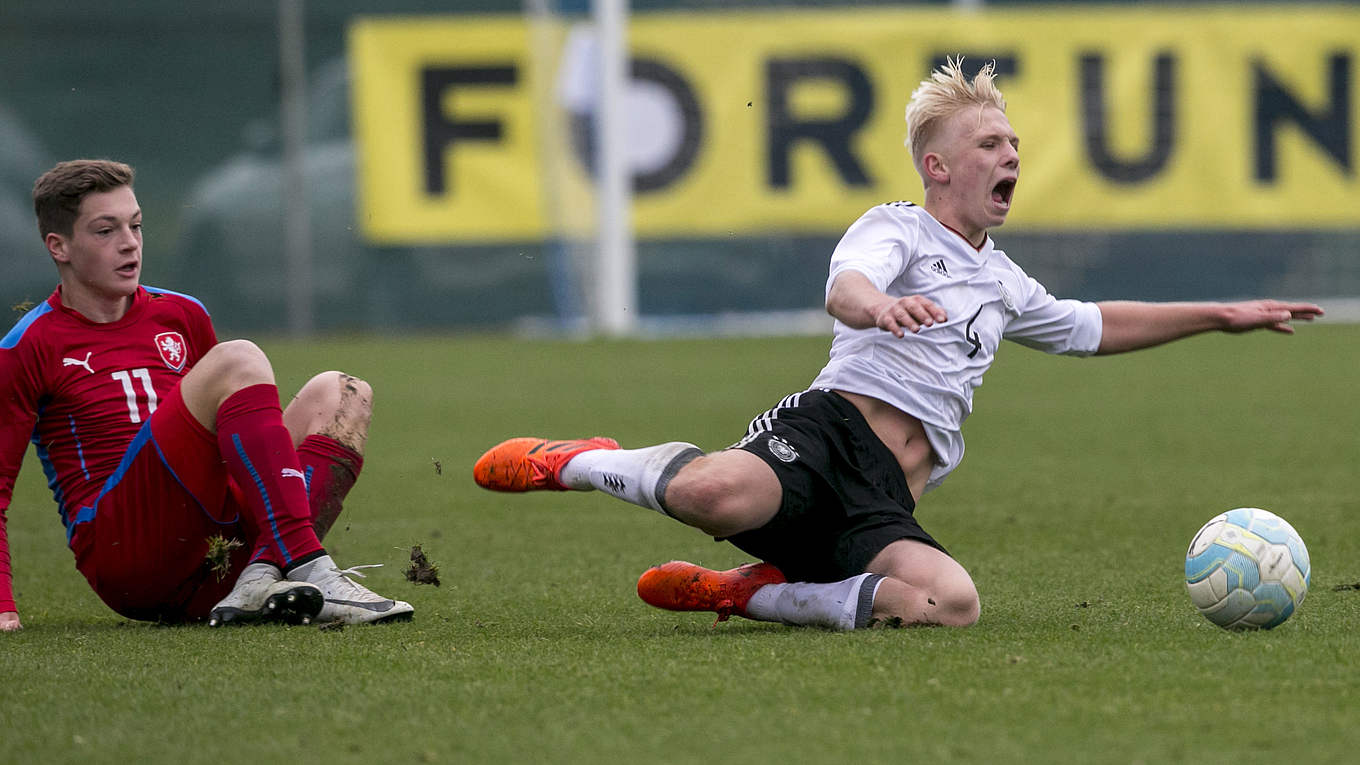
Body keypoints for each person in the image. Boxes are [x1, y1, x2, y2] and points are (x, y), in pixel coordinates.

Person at [472, 58, 1323, 631]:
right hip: (826, 437)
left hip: (886, 497)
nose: (1011, 155)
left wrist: (1221, 313)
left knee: (953, 605)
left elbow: (1090, 326)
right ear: (938, 167)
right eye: (990, 144)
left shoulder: (1003, 281)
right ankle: (582, 461)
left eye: (1014, 144)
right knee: (715, 495)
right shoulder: (898, 228)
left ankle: (749, 594)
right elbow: (845, 286)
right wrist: (879, 307)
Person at [0, 159, 413, 632]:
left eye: (136, 225)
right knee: (238, 359)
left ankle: (261, 574)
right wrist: (2, 603)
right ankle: (308, 563)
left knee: (341, 392)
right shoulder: (26, 345)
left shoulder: (182, 314)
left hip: (215, 554)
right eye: (105, 230)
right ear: (59, 246)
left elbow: (227, 439)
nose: (129, 242)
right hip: (127, 555)